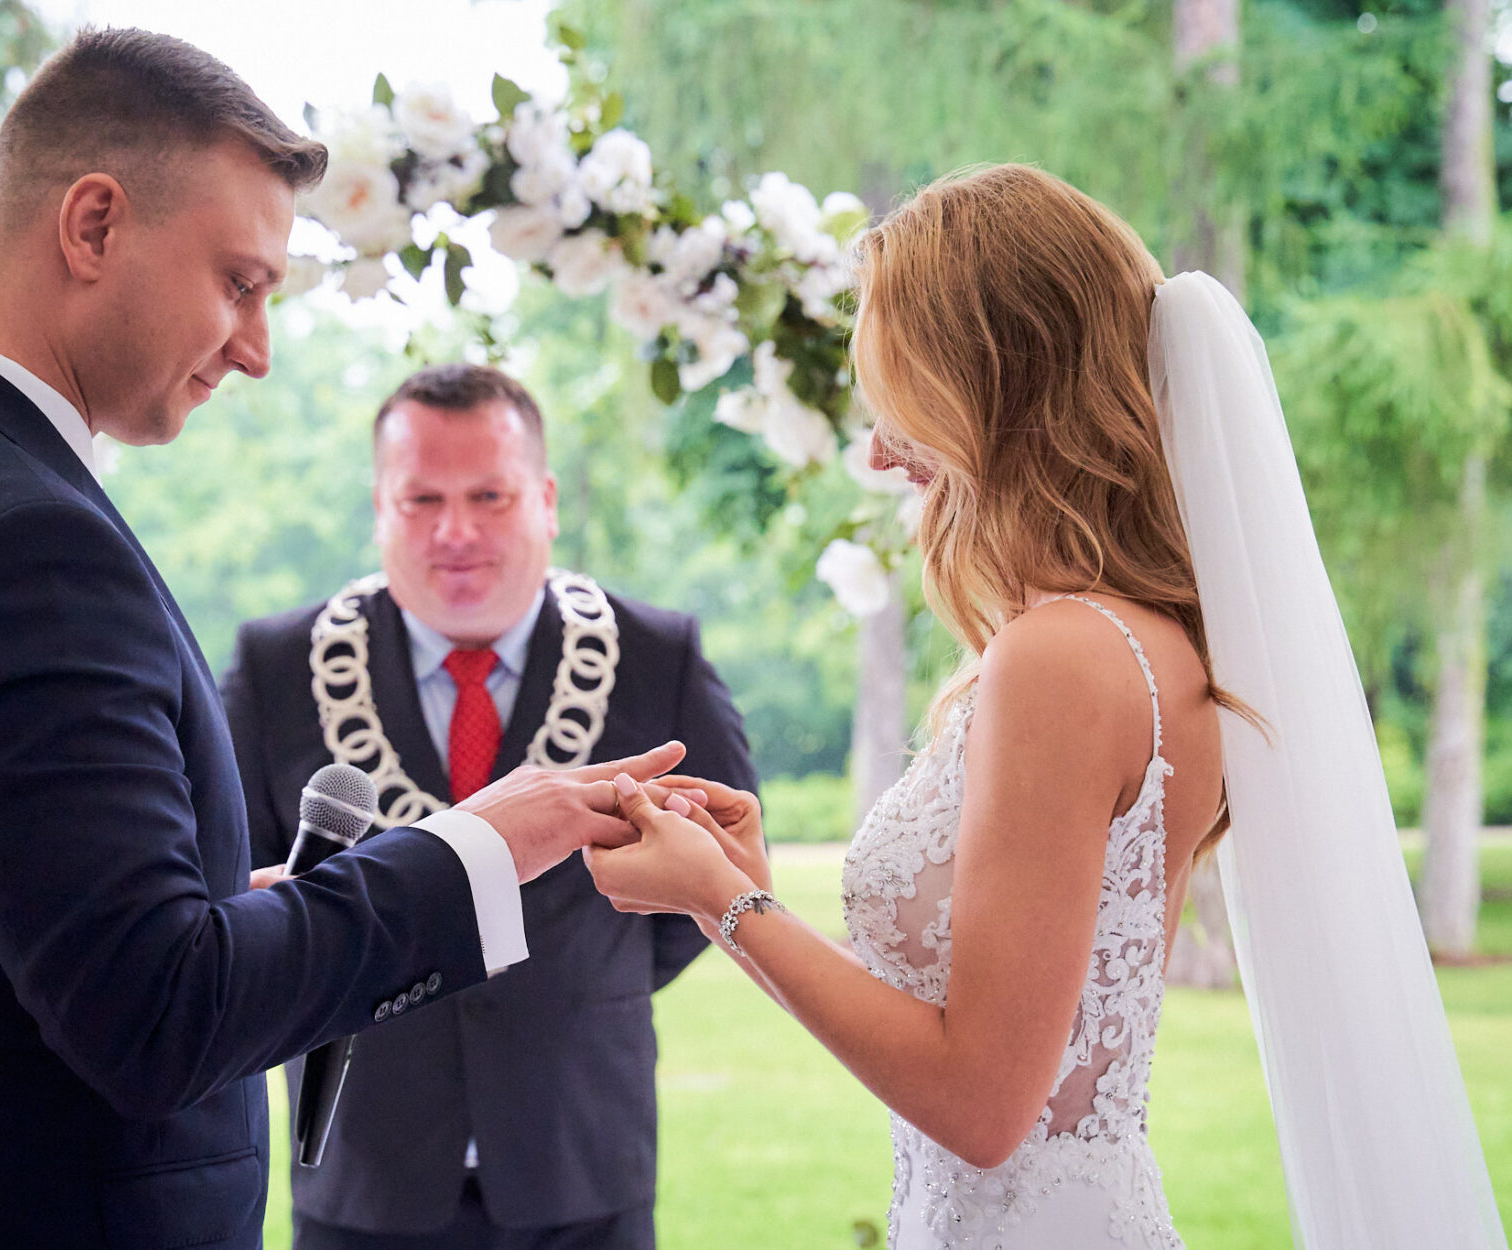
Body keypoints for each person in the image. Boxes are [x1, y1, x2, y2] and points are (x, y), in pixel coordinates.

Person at [0, 30, 686, 1250]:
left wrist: (218, 909)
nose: (256, 349)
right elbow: (159, 1013)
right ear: (93, 224)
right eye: (239, 283)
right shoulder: (24, 543)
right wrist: (478, 844)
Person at [584, 164, 1507, 1249]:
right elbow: (976, 1034)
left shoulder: (1064, 659)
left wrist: (723, 900)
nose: (879, 450)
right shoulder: (1120, 643)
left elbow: (982, 1106)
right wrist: (736, 899)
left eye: (901, 398)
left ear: (995, 386)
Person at [223, 363, 758, 1250]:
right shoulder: (277, 668)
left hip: (581, 1159)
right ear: (379, 507)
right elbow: (238, 900)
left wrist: (580, 981)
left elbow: (717, 882)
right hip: (364, 1173)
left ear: (545, 500)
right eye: (421, 499)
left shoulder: (655, 656)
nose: (456, 531)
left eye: (489, 496)